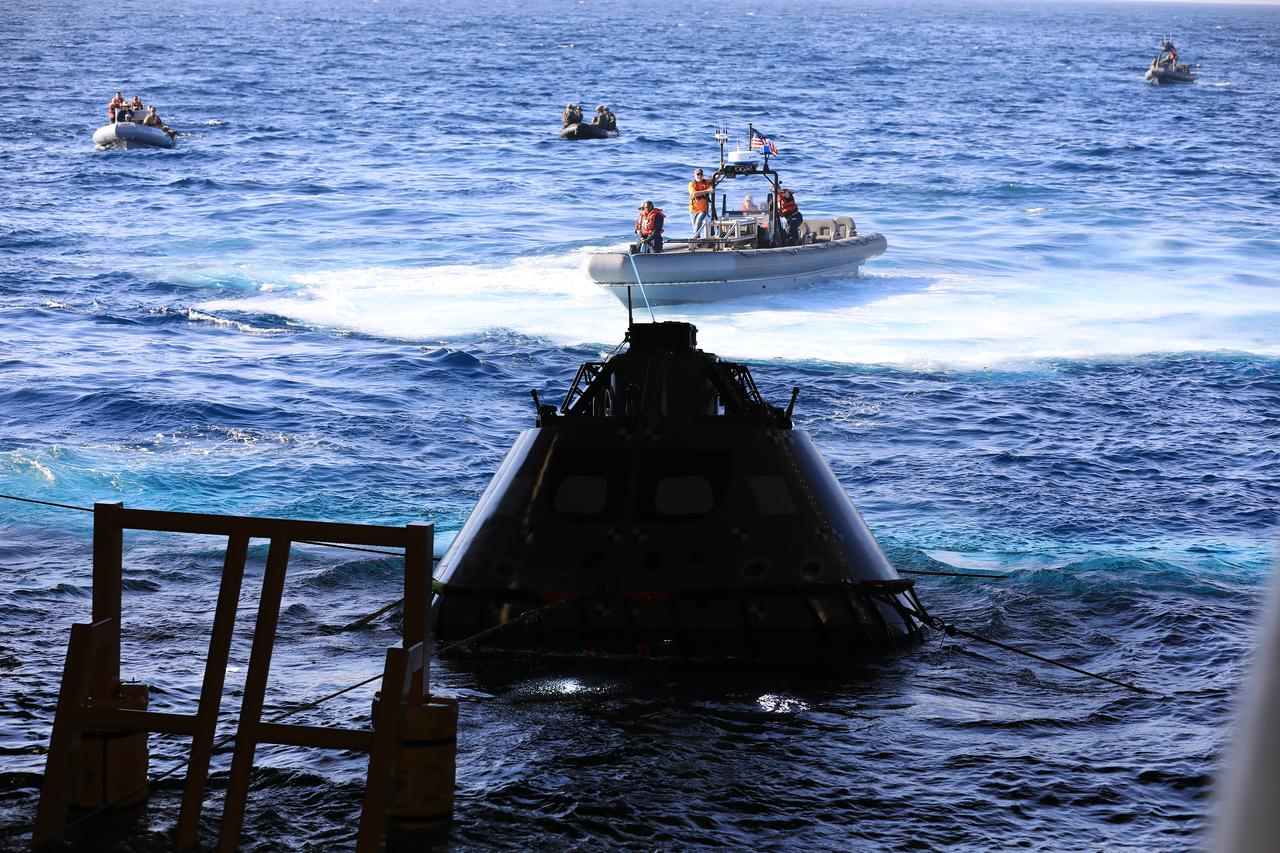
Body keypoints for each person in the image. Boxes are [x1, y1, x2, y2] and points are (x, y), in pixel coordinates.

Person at [687, 168, 714, 238]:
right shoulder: (691, 184)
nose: (699, 176)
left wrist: (721, 169)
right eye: (697, 174)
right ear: (695, 175)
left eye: (701, 174)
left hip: (703, 209)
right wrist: (708, 191)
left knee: (698, 221)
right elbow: (694, 194)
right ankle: (697, 239)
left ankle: (695, 239)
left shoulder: (706, 182)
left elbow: (715, 178)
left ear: (703, 175)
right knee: (695, 227)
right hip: (693, 209)